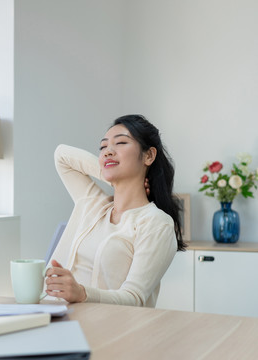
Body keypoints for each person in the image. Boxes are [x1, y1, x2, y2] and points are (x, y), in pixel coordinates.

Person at [45, 114, 186, 307]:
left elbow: (134, 298)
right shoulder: (93, 205)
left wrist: (81, 293)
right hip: (57, 316)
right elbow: (62, 155)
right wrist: (110, 175)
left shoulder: (156, 223)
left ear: (149, 155)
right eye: (103, 147)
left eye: (120, 143)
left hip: (111, 328)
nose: (108, 151)